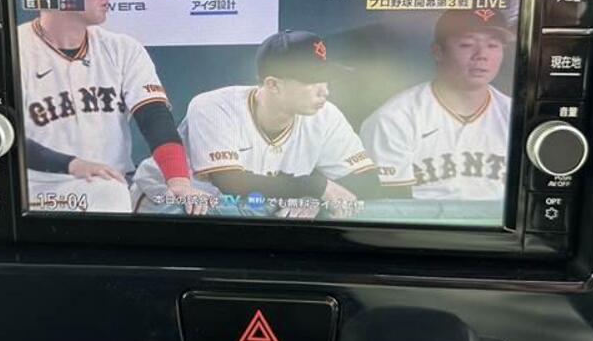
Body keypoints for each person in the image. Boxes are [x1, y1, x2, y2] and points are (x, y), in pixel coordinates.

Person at [132, 30, 400, 219]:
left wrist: (312, 198)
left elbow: (368, 181)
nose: (324, 91)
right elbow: (231, 182)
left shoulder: (325, 115)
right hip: (170, 208)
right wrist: (316, 188)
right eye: (311, 81)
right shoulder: (214, 106)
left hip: (250, 213)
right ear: (273, 84)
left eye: (326, 79)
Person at [18, 0, 207, 214]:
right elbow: (8, 137)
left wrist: (179, 180)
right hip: (35, 190)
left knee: (120, 194)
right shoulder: (16, 46)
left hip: (110, 186)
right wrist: (71, 164)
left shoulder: (122, 48)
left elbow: (154, 116)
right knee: (110, 194)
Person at [359, 8, 514, 200]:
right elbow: (389, 208)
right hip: (421, 220)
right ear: (438, 52)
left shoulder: (515, 116)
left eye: (493, 45)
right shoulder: (393, 119)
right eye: (466, 44)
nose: (482, 55)